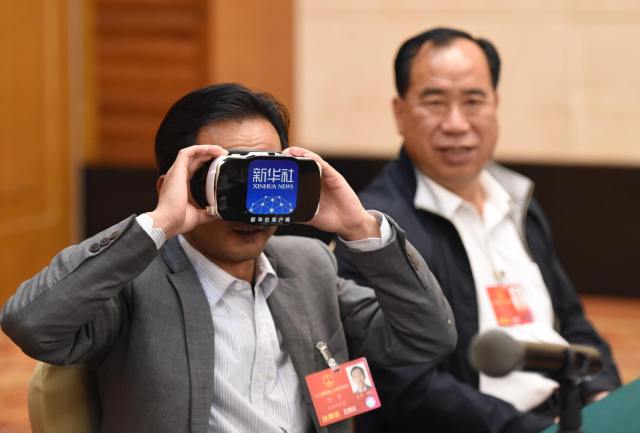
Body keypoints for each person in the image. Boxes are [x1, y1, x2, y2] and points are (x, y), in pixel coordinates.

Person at [1, 83, 456, 433]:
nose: (250, 208)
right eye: (229, 181)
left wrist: (360, 229)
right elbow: (31, 324)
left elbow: (427, 337)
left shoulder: (307, 265)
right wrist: (158, 224)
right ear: (177, 185)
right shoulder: (135, 281)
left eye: (265, 177)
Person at [335, 27, 621, 433]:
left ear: (495, 104)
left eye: (473, 100)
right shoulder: (373, 231)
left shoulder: (517, 199)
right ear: (400, 113)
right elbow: (407, 386)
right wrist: (530, 429)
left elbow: (572, 321)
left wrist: (603, 395)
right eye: (434, 102)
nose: (456, 124)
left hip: (562, 415)